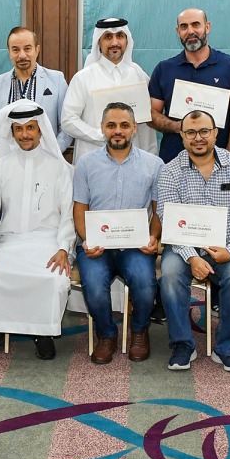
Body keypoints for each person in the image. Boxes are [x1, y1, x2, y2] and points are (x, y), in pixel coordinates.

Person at [0, 100, 75, 361]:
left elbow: (68, 217)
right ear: (11, 133)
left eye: (31, 128)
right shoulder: (0, 167)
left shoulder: (60, 168)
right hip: (9, 242)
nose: (25, 134)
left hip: (48, 242)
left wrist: (63, 249)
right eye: (19, 129)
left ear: (41, 130)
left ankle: (43, 333)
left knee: (53, 278)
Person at [158, 110, 230, 372]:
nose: (198, 138)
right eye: (191, 132)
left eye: (204, 131)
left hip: (229, 245)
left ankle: (226, 347)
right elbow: (168, 219)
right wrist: (191, 256)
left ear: (215, 133)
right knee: (168, 273)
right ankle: (182, 344)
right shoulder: (169, 171)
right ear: (182, 136)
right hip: (184, 246)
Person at [73, 101, 164, 364]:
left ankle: (138, 331)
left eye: (124, 125)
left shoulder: (153, 164)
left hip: (136, 246)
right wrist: (86, 239)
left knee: (146, 284)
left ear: (135, 128)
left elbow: (158, 211)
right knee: (94, 287)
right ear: (102, 128)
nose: (118, 131)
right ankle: (107, 335)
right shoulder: (86, 164)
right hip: (96, 246)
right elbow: (80, 209)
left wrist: (154, 238)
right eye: (111, 125)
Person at [148, 8, 230, 163]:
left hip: (218, 162)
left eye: (196, 25)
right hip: (174, 163)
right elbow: (151, 114)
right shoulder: (164, 69)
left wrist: (228, 161)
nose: (190, 31)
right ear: (178, 31)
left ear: (207, 27)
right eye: (184, 27)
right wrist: (179, 126)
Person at [62, 18, 158, 162]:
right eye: (108, 37)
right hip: (93, 158)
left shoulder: (139, 75)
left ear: (127, 40)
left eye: (120, 36)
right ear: (98, 42)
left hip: (133, 162)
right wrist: (101, 135)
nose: (114, 42)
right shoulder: (83, 77)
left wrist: (151, 157)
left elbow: (145, 124)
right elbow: (68, 120)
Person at [0, 26, 71, 152]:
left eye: (27, 48)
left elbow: (66, 128)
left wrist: (53, 152)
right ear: (9, 53)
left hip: (45, 159)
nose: (22, 55)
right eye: (15, 50)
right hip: (7, 162)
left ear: (37, 50)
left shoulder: (56, 80)